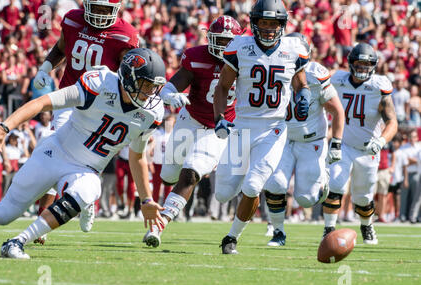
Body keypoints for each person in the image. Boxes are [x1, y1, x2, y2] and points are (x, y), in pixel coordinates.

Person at [0, 48, 167, 259]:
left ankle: (17, 242)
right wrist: (5, 126)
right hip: (54, 153)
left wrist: (146, 200)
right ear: (128, 77)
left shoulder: (151, 113)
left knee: (90, 189)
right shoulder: (99, 83)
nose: (150, 93)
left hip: (86, 169)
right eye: (146, 85)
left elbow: (137, 156)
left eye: (154, 87)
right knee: (4, 214)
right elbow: (42, 102)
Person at [32, 0, 139, 238]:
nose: (100, 14)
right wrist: (44, 68)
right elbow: (61, 48)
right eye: (96, 7)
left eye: (105, 9)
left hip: (102, 103)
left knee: (84, 160)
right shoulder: (72, 19)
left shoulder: (125, 34)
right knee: (56, 148)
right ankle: (45, 217)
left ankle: (85, 199)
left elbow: (129, 73)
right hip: (70, 96)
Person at [215, 0, 312, 254]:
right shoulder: (240, 47)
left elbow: (301, 84)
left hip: (273, 129)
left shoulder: (293, 48)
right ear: (254, 23)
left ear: (283, 25)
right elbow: (223, 86)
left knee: (253, 185)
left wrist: (304, 96)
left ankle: (231, 237)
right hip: (241, 126)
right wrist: (218, 117)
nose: (269, 28)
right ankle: (238, 202)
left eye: (274, 23)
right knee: (223, 193)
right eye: (264, 22)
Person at [142, 15, 242, 248]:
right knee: (168, 174)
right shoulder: (196, 55)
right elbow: (172, 84)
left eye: (229, 41)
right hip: (190, 118)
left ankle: (159, 226)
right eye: (219, 40)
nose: (223, 46)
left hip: (220, 127)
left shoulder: (246, 59)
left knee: (191, 173)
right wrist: (169, 95)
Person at [263, 32, 345, 247]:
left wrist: (336, 142)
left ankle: (323, 178)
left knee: (306, 199)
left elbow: (337, 110)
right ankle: (278, 232)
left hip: (311, 141)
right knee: (275, 182)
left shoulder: (316, 74)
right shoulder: (274, 69)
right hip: (283, 139)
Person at [322, 43, 398, 244]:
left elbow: (392, 122)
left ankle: (367, 226)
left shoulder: (379, 86)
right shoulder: (337, 79)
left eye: (367, 64)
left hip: (367, 148)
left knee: (363, 197)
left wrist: (381, 141)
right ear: (351, 63)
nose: (363, 68)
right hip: (343, 144)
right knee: (335, 185)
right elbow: (319, 76)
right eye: (360, 63)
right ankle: (329, 229)